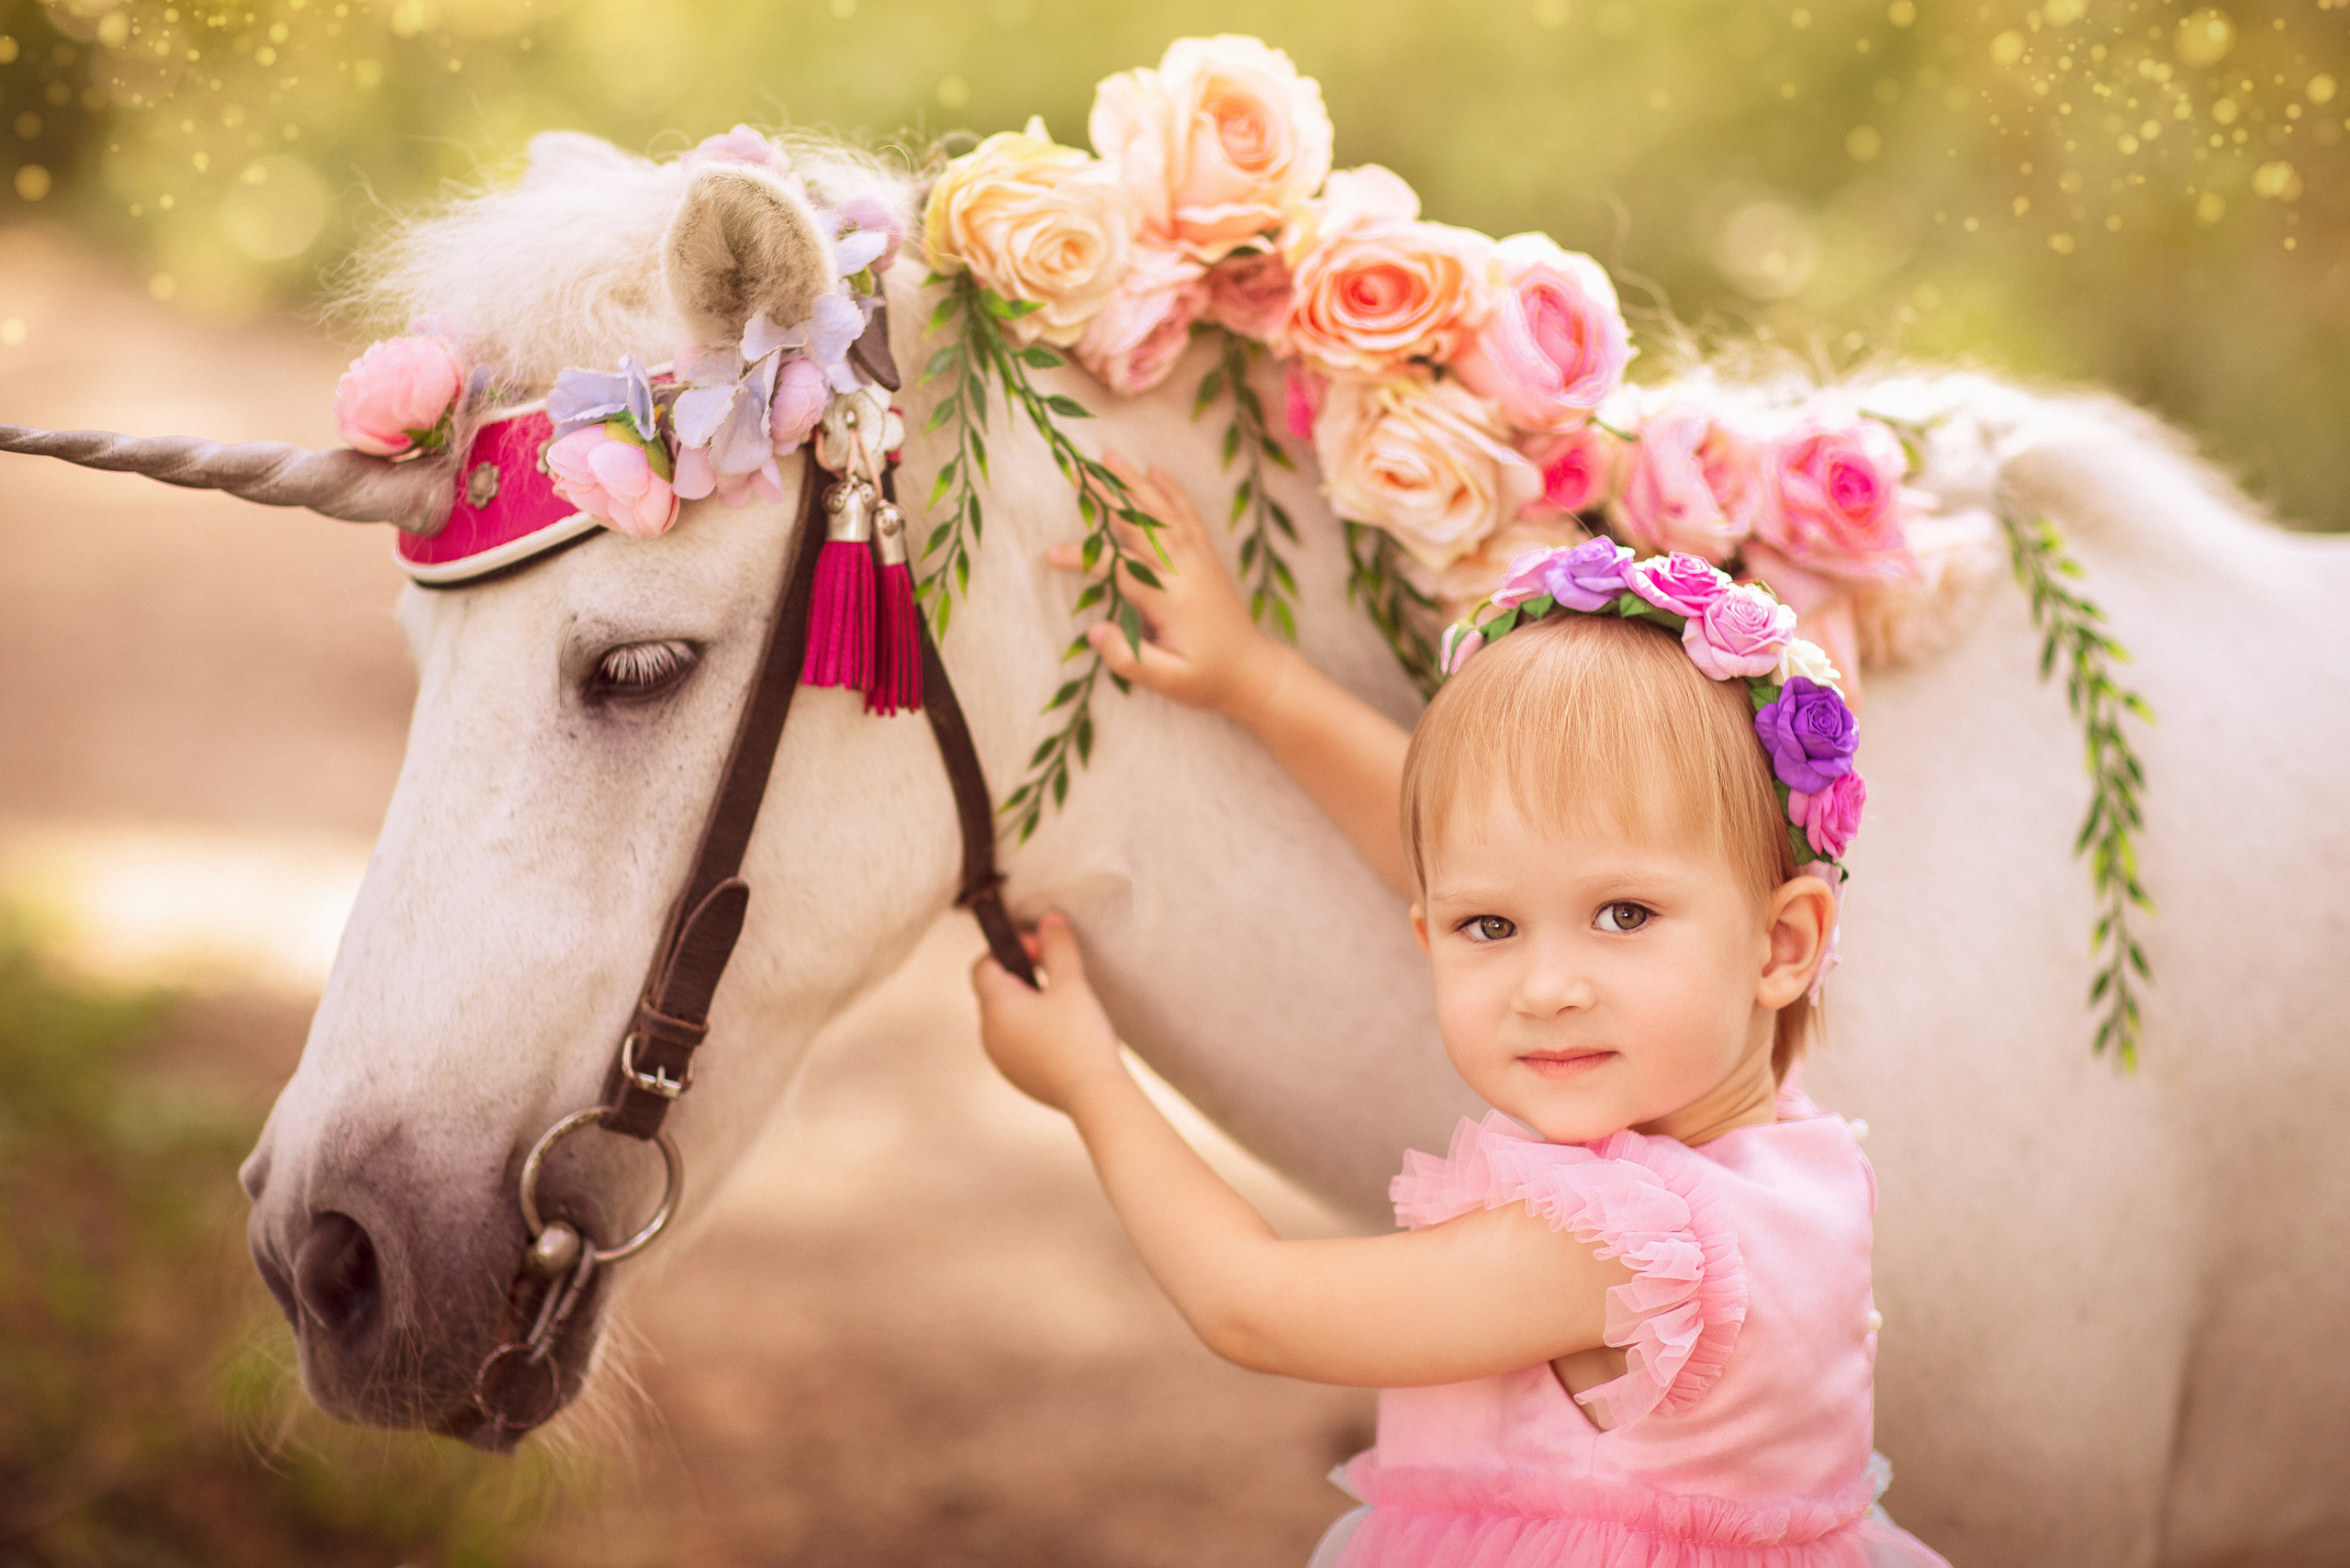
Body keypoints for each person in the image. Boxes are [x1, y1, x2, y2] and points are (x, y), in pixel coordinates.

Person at [968, 456, 1948, 1567]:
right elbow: (1461, 856)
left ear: (1780, 944)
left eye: (1624, 913)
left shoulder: (1634, 1251)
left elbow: (1253, 1305)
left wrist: (1089, 1079)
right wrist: (1258, 682)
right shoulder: (1776, 1149)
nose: (1546, 984)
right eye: (1490, 932)